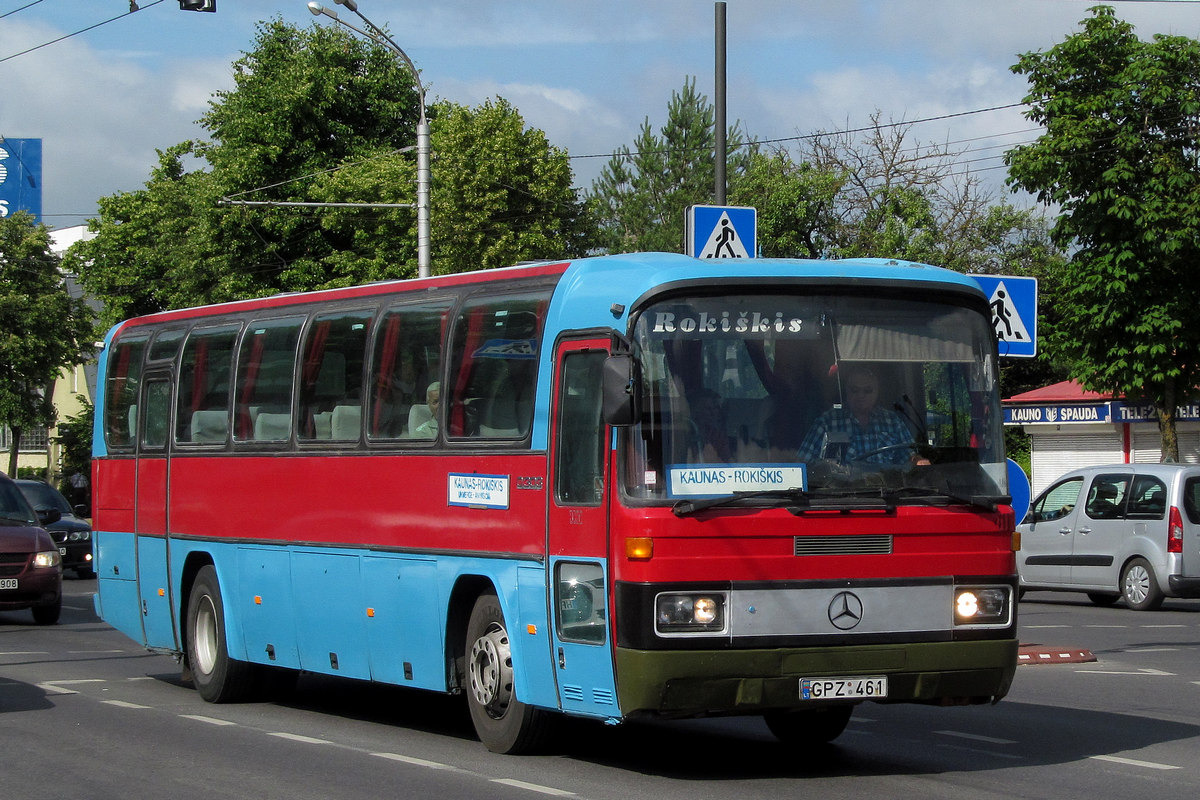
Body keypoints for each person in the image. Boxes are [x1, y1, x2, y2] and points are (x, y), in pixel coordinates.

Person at [797, 366, 915, 465]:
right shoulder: (827, 422)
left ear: (877, 392)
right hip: (841, 491)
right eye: (855, 390)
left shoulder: (893, 421)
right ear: (846, 391)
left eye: (867, 390)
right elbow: (802, 463)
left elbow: (911, 458)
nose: (861, 395)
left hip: (889, 491)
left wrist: (919, 461)